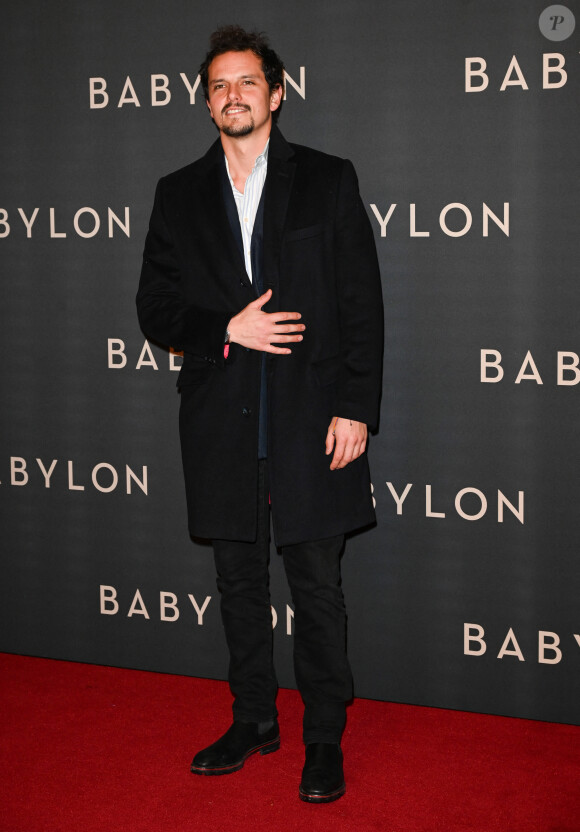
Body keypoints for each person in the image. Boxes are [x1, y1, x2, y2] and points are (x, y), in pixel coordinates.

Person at [137, 25, 383, 804]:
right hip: (221, 419)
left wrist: (356, 409)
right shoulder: (177, 193)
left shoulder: (328, 180)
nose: (233, 95)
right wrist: (225, 329)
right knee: (237, 579)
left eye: (248, 82)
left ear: (277, 94)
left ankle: (322, 738)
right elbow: (155, 308)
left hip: (312, 416)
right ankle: (252, 720)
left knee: (315, 583)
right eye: (219, 85)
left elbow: (362, 306)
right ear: (204, 100)